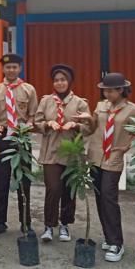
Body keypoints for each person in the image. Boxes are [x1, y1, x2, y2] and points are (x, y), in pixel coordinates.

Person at [80, 73, 135, 262]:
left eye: (110, 91)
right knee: (99, 196)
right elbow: (92, 128)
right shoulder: (100, 106)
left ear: (120, 90)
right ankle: (108, 236)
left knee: (109, 197)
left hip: (113, 157)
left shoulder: (131, 110)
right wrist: (86, 120)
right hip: (96, 155)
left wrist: (126, 147)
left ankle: (116, 243)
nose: (106, 94)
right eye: (104, 91)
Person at [34, 64, 89, 243]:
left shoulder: (80, 103)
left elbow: (89, 127)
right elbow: (37, 123)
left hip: (72, 153)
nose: (59, 83)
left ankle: (65, 224)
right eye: (56, 80)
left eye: (63, 80)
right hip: (51, 151)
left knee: (68, 190)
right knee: (53, 188)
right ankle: (49, 226)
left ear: (69, 81)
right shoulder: (46, 101)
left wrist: (76, 125)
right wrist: (47, 124)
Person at [0, 53, 38, 235]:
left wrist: (29, 124)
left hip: (22, 137)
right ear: (3, 69)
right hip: (3, 137)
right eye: (8, 67)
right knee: (1, 180)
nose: (11, 70)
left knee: (24, 180)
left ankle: (26, 222)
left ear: (20, 68)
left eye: (14, 67)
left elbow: (32, 114)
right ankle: (0, 222)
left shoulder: (29, 90)